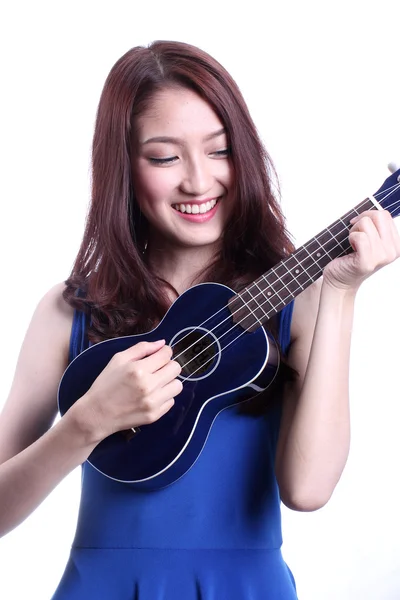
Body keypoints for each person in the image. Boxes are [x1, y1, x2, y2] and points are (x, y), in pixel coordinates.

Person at [0, 40, 399, 600]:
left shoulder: (298, 303)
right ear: (123, 167)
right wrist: (85, 424)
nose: (198, 181)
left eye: (221, 151)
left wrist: (341, 290)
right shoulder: (69, 312)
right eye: (165, 157)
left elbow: (308, 490)